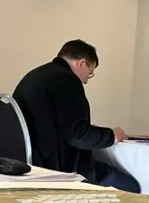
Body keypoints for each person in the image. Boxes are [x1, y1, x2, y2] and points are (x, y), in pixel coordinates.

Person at [13, 39, 140, 193]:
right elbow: (78, 135)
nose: (87, 80)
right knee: (131, 186)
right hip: (57, 170)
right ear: (82, 63)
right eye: (90, 72)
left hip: (29, 164)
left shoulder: (35, 76)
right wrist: (112, 135)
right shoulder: (67, 80)